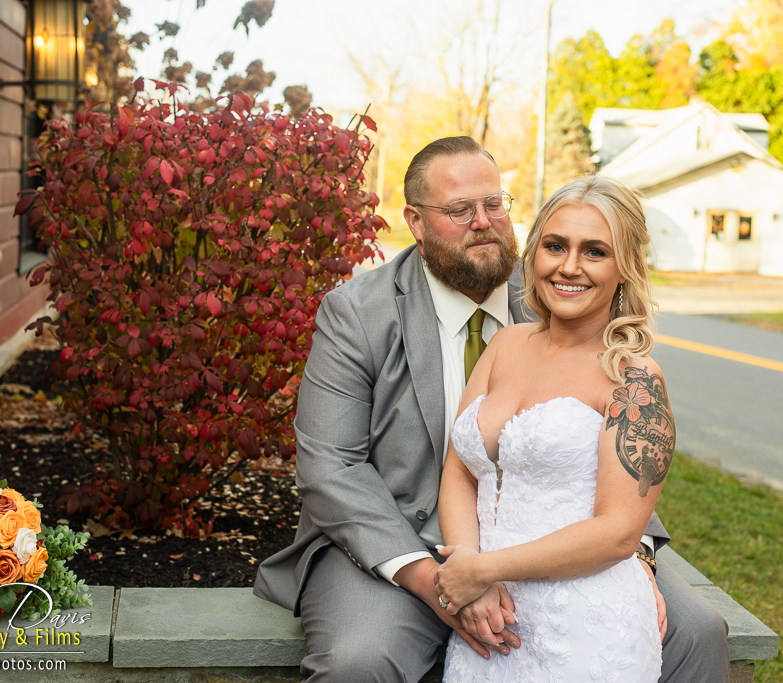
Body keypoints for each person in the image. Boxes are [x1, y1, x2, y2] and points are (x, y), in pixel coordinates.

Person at [253, 136, 730, 683]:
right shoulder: (358, 313)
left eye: (494, 204)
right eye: (460, 209)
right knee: (359, 661)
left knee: (697, 629)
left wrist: (636, 558)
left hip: (556, 540)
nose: (483, 222)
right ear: (416, 220)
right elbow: (331, 467)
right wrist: (441, 579)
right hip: (396, 539)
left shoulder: (557, 293)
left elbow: (619, 461)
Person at [434, 174, 672, 681]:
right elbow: (459, 469)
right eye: (556, 246)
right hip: (488, 622)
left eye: (595, 252)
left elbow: (617, 534)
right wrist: (470, 574)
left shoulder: (634, 379)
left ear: (625, 268)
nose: (569, 267)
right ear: (533, 254)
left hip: (584, 630)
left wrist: (482, 571)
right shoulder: (504, 346)